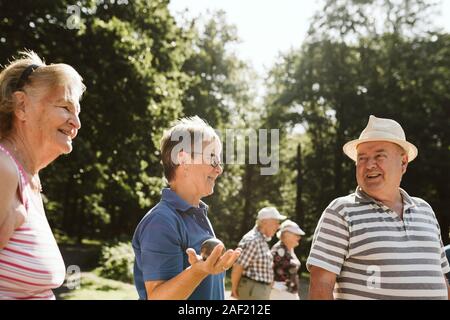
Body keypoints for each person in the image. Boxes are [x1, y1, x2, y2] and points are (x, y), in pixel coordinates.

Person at [307, 115, 450, 300]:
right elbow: (320, 286)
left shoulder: (425, 210)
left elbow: (441, 279)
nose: (369, 165)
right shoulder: (341, 211)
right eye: (362, 158)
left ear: (403, 162)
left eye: (379, 156)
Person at [0, 51, 85, 299]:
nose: (76, 123)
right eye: (65, 107)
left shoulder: (30, 181)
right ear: (22, 106)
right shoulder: (4, 169)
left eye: (78, 111)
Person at [132, 116, 241, 300]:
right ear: (183, 159)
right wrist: (198, 272)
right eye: (212, 158)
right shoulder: (161, 221)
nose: (219, 169)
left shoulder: (198, 215)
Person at [231, 207, 286, 300]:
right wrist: (234, 289)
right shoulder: (253, 240)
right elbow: (238, 267)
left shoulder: (261, 240)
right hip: (253, 290)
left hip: (259, 290)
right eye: (276, 223)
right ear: (264, 222)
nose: (278, 226)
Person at [270, 219, 305, 300]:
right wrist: (275, 285)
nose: (299, 237)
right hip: (279, 294)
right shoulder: (279, 249)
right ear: (286, 235)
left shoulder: (289, 249)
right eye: (296, 234)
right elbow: (266, 269)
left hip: (289, 292)